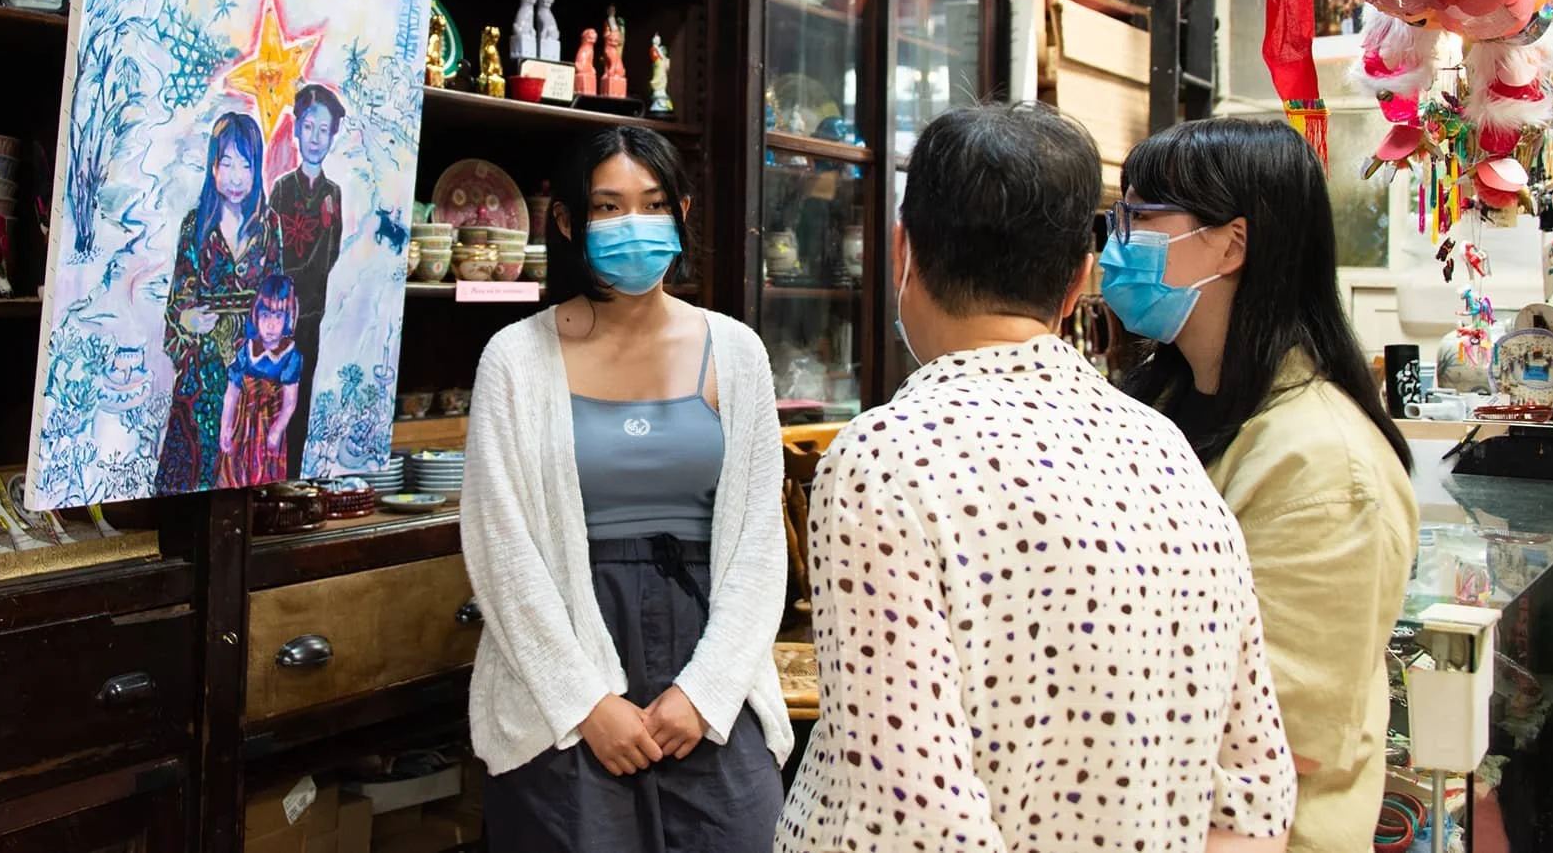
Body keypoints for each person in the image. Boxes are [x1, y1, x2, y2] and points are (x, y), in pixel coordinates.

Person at [779, 102, 1296, 853]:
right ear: (1080, 277)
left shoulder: (882, 460)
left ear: (903, 253)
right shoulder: (1164, 447)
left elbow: (917, 825)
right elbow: (1256, 794)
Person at [461, 126, 793, 853]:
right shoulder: (515, 359)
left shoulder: (737, 352)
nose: (631, 225)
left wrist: (704, 693)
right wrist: (586, 704)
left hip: (709, 652)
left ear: (681, 211)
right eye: (607, 208)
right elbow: (501, 551)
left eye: (650, 204)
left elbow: (763, 549)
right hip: (565, 664)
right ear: (569, 222)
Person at [1112, 118, 1418, 853]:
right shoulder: (1160, 405)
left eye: (1145, 219)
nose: (1117, 244)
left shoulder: (1326, 466)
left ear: (1232, 242)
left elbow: (1290, 728)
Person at [155, 112, 283, 495]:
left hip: (253, 367)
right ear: (213, 167)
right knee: (192, 479)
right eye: (226, 163)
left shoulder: (269, 224)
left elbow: (279, 299)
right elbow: (179, 299)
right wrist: (189, 319)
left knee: (248, 483)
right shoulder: (195, 226)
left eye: (245, 164)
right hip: (203, 366)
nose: (236, 175)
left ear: (256, 167)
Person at [268, 82, 346, 476]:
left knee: (300, 397)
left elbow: (329, 255)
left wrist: (304, 287)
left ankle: (293, 474)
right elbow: (272, 251)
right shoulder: (283, 189)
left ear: (333, 136)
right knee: (271, 396)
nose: (315, 138)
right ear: (297, 129)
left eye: (324, 130)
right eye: (309, 127)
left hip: (311, 315)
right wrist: (288, 288)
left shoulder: (333, 193)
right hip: (277, 317)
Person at [218, 273, 303, 488]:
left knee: (264, 477)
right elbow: (232, 391)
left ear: (288, 318)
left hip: (267, 428)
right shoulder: (247, 350)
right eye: (266, 316)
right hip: (241, 426)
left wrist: (277, 431)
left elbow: (290, 402)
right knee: (233, 474)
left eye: (278, 317)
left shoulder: (290, 356)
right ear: (256, 315)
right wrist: (225, 426)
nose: (271, 325)